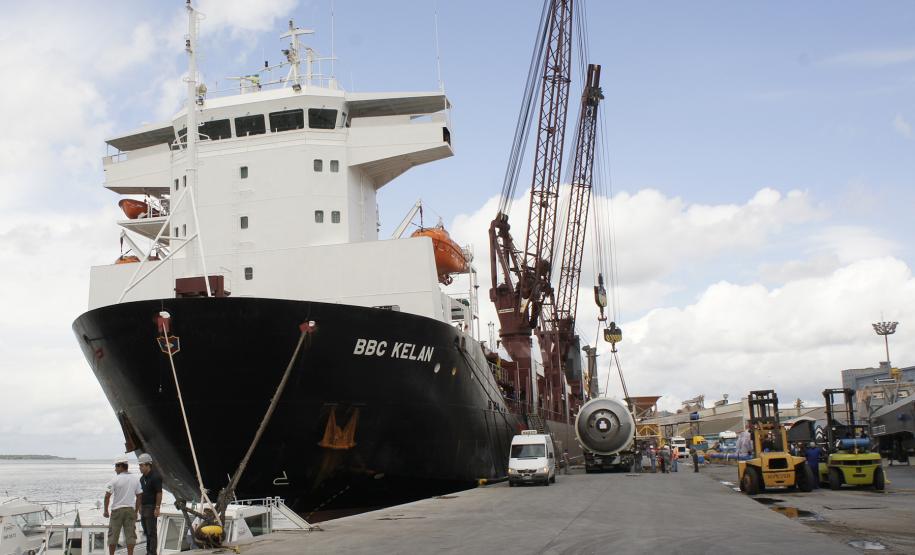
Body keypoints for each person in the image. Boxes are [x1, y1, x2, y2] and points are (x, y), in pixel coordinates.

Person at [103, 456, 142, 555]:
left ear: (120, 466)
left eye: (116, 466)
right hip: (130, 510)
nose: (115, 469)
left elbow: (107, 496)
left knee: (113, 535)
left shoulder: (115, 480)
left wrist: (106, 510)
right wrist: (136, 511)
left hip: (117, 510)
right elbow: (139, 496)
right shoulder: (135, 479)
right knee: (130, 535)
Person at [138, 453, 163, 555]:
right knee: (146, 532)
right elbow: (140, 493)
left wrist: (157, 507)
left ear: (148, 465)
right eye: (139, 465)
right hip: (143, 507)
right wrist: (139, 506)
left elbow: (159, 492)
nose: (140, 467)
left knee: (152, 532)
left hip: (151, 506)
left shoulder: (156, 477)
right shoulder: (142, 478)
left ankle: (152, 553)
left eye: (141, 465)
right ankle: (148, 552)